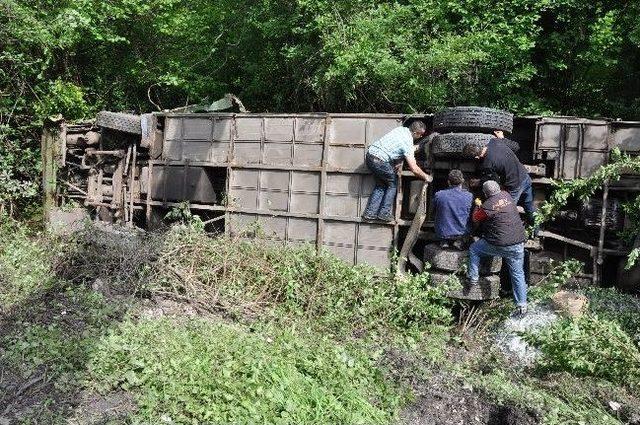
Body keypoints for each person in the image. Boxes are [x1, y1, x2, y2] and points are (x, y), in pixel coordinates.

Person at [468, 180, 527, 316]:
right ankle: (522, 306)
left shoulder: (487, 206)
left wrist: (478, 206)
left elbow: (476, 219)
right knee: (518, 274)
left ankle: (473, 278)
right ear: (499, 189)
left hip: (498, 244)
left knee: (474, 249)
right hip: (517, 244)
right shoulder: (507, 195)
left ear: (485, 193)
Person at [462, 131, 536, 231]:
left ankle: (509, 233)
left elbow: (494, 183)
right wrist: (502, 138)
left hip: (514, 186)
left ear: (476, 157)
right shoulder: (495, 141)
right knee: (529, 207)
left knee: (506, 212)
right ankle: (536, 229)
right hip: (525, 177)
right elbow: (516, 147)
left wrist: (479, 182)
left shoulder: (488, 164)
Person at [363, 121, 433, 222]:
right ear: (414, 133)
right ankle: (384, 213)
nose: (421, 136)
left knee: (381, 185)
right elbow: (414, 168)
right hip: (380, 161)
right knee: (393, 184)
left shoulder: (401, 129)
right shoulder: (408, 142)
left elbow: (394, 146)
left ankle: (370, 213)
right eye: (420, 134)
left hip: (370, 156)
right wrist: (426, 176)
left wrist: (399, 160)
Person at [433, 169, 472, 248]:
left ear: (448, 182)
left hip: (442, 232)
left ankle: (444, 242)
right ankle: (459, 241)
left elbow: (434, 209)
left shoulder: (438, 194)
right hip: (461, 232)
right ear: (462, 181)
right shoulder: (469, 196)